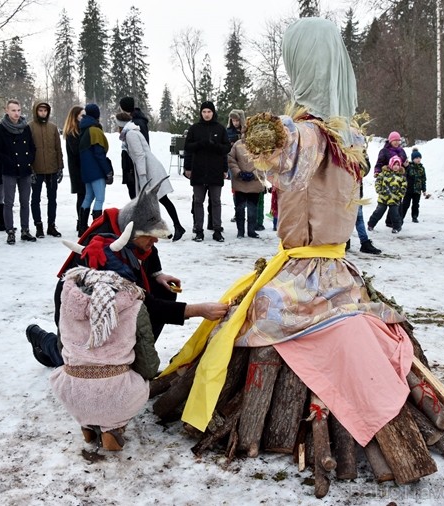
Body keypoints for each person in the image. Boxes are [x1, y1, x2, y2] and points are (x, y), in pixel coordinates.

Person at [161, 19, 415, 447]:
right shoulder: (349, 133)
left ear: (305, 64)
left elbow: (278, 146)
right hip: (337, 266)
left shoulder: (308, 133)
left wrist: (268, 133)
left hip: (307, 276)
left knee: (248, 315)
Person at [26, 179, 229, 368]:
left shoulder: (127, 230)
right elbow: (144, 303)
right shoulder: (105, 252)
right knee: (79, 361)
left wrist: (157, 274)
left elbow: (149, 253)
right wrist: (197, 310)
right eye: (150, 236)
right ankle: (45, 340)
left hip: (112, 304)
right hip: (80, 316)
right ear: (131, 235)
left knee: (163, 291)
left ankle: (134, 355)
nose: (155, 241)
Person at [49, 258, 159, 451]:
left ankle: (87, 425)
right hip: (116, 394)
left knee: (81, 382)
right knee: (133, 388)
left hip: (71, 390)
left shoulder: (68, 304)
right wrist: (144, 377)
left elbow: (60, 345)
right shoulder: (133, 306)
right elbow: (147, 360)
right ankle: (113, 430)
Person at [116, 111, 185, 241]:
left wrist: (142, 176)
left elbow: (140, 155)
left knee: (161, 200)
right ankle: (174, 226)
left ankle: (176, 226)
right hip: (149, 169)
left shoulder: (130, 134)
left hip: (149, 170)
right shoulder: (132, 131)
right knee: (159, 201)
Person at [184, 101, 231, 242]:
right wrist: (188, 168)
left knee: (216, 201)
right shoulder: (194, 128)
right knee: (198, 201)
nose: (206, 114)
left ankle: (217, 229)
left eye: (209, 112)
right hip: (198, 170)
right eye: (204, 112)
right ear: (201, 113)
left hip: (215, 170)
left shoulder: (220, 129)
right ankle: (199, 230)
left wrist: (224, 168)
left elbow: (226, 149)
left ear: (213, 113)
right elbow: (188, 148)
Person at [0, 100, 36, 244]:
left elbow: (32, 147)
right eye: (13, 110)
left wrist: (28, 160)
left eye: (18, 110)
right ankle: (10, 231)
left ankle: (25, 230)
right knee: (8, 202)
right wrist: (8, 161)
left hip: (25, 170)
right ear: (6, 111)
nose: (16, 113)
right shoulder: (0, 129)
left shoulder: (26, 128)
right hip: (9, 170)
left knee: (25, 201)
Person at [29, 101, 63, 238]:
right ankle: (38, 225)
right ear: (36, 111)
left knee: (52, 199)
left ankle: (51, 225)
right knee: (35, 199)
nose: (43, 113)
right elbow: (28, 150)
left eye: (45, 111)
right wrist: (30, 169)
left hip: (52, 169)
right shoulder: (30, 127)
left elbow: (58, 148)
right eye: (40, 110)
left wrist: (60, 167)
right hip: (36, 169)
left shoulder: (53, 128)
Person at [77, 104, 111, 234]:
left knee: (88, 197)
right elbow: (99, 153)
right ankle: (96, 228)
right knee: (100, 199)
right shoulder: (94, 130)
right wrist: (107, 170)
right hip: (96, 171)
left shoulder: (84, 129)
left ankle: (82, 227)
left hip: (86, 171)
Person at [228, 138, 265, 238]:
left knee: (253, 207)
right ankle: (240, 231)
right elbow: (231, 159)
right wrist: (238, 172)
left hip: (255, 181)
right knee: (240, 207)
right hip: (240, 180)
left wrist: (254, 174)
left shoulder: (260, 144)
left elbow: (264, 161)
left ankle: (251, 230)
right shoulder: (238, 144)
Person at [119, 96, 150, 200]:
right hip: (133, 163)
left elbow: (139, 147)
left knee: (136, 195)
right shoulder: (137, 121)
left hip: (133, 164)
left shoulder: (134, 124)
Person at [62, 105, 86, 237]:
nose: (84, 117)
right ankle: (81, 221)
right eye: (82, 115)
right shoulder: (73, 132)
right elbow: (76, 152)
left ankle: (81, 221)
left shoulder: (79, 130)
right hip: (78, 169)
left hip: (80, 168)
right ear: (75, 116)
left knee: (83, 196)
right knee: (82, 196)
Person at [367, 155, 407, 234]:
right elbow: (378, 182)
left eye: (398, 165)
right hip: (383, 197)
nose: (396, 167)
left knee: (394, 214)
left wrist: (399, 195)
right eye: (394, 164)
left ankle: (397, 227)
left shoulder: (401, 176)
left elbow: (404, 186)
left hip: (394, 199)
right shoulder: (384, 173)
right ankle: (371, 224)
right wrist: (379, 190)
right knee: (378, 212)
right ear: (390, 164)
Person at [352, 150, 382, 254]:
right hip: (342, 191)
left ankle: (364, 243)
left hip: (356, 191)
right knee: (345, 218)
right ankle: (345, 241)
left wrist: (364, 158)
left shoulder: (359, 149)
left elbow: (365, 170)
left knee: (359, 218)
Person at [401, 148, 427, 223]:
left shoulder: (422, 168)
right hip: (408, 189)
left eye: (419, 158)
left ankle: (415, 216)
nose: (418, 159)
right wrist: (405, 166)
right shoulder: (409, 166)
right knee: (405, 204)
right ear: (413, 159)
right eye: (416, 158)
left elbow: (423, 179)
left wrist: (424, 189)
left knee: (416, 204)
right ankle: (401, 217)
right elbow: (403, 172)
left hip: (417, 190)